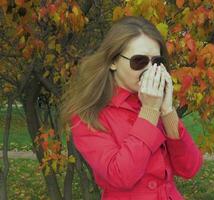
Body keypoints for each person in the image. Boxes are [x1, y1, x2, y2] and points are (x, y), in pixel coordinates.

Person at [58, 16, 203, 200]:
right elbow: (121, 176)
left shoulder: (152, 101)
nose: (149, 70)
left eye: (157, 62)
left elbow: (189, 168)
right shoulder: (88, 114)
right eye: (139, 61)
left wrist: (167, 111)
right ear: (113, 61)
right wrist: (149, 112)